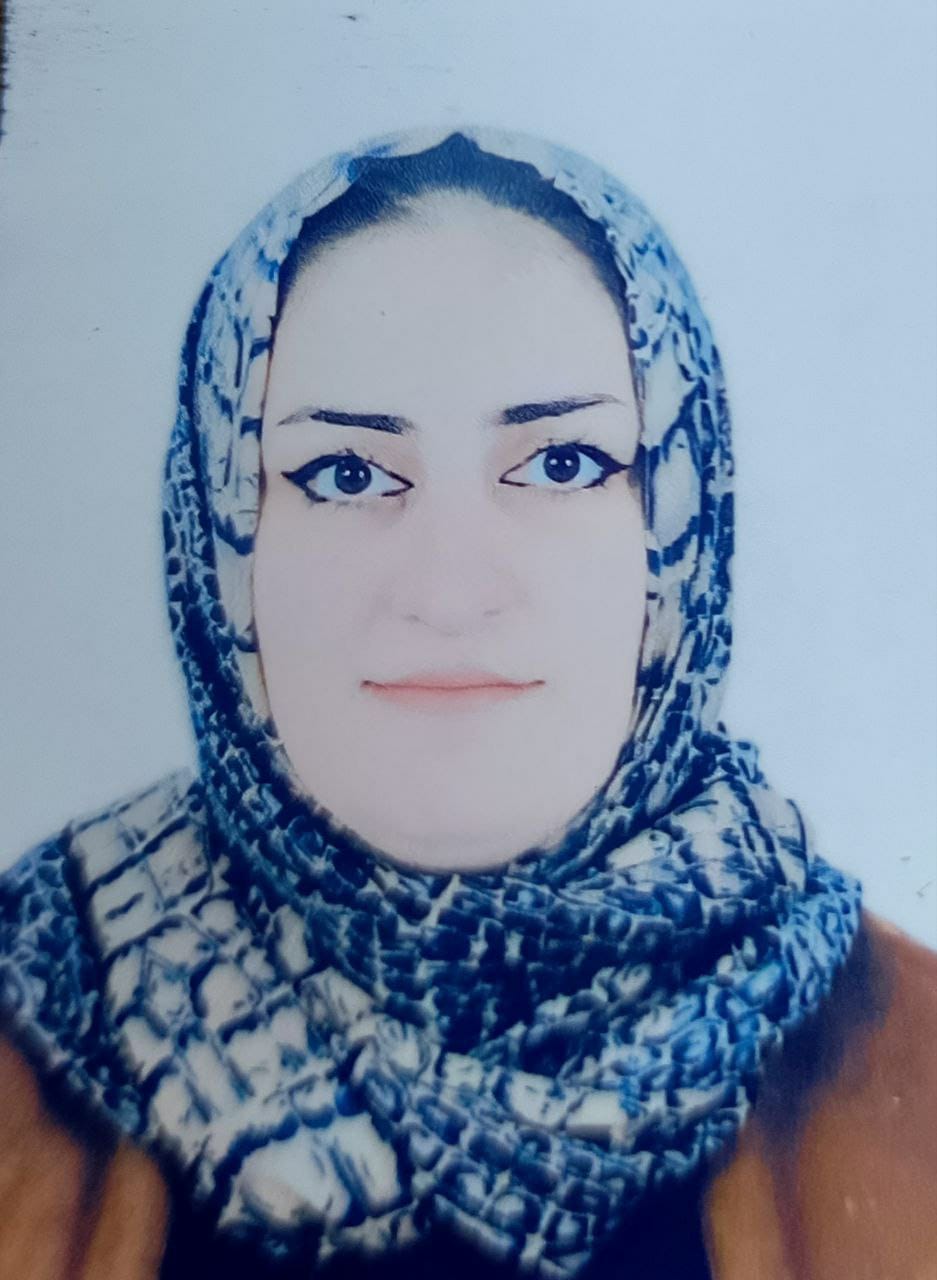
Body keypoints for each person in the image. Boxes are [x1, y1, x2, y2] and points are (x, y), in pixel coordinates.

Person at [0, 126, 934, 1280]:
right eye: (346, 473)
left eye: (561, 463)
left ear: (678, 532)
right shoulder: (36, 1014)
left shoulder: (909, 1070)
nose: (448, 590)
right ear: (222, 543)